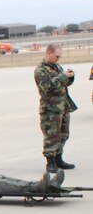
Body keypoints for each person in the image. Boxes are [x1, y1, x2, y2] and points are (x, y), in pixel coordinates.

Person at [34, 44, 77, 173]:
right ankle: (50, 162)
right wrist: (63, 76)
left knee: (63, 134)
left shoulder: (57, 67)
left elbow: (63, 84)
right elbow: (47, 87)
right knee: (52, 136)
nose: (58, 59)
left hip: (63, 106)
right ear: (49, 53)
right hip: (50, 109)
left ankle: (58, 159)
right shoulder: (40, 70)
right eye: (56, 56)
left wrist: (70, 77)